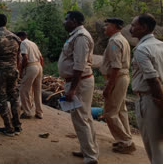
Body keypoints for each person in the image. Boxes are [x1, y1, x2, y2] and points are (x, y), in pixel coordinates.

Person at [58, 11, 99, 164]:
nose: (64, 22)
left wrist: (72, 89)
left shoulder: (81, 37)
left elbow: (79, 65)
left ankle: (90, 156)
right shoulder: (76, 35)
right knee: (85, 117)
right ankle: (88, 150)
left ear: (74, 21)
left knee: (81, 119)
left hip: (80, 82)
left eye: (66, 19)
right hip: (79, 81)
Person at [130, 13, 163, 163]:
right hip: (158, 97)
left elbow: (152, 79)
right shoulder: (160, 45)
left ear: (143, 28)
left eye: (133, 25)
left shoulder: (142, 49)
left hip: (151, 100)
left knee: (154, 144)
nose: (130, 29)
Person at [99, 18, 135, 153]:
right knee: (120, 110)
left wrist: (109, 86)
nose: (105, 28)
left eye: (107, 25)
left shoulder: (114, 41)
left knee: (110, 112)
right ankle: (125, 140)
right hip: (122, 78)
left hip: (117, 78)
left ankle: (126, 141)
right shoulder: (122, 39)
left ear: (114, 27)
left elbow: (115, 66)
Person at [16, 31, 44, 119]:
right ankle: (39, 113)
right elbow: (41, 58)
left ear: (20, 37)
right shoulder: (33, 43)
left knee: (23, 90)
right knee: (37, 90)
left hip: (30, 66)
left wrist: (21, 70)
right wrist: (39, 68)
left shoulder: (23, 43)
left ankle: (27, 112)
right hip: (38, 66)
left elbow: (25, 58)